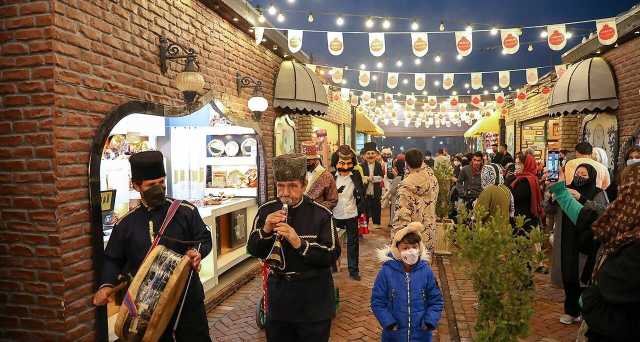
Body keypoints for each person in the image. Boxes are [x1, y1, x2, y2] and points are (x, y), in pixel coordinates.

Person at [93, 151, 212, 341]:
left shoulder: (186, 212)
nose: (159, 188)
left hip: (186, 300)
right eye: (151, 185)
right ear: (136, 185)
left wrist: (197, 253)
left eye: (161, 182)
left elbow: (204, 239)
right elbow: (112, 259)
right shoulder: (125, 224)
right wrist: (106, 285)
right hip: (145, 308)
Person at [247, 153, 337, 342]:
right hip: (280, 298)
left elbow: (331, 255)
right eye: (281, 186)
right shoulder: (266, 211)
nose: (285, 193)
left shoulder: (321, 214)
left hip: (314, 299)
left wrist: (299, 243)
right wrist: (265, 230)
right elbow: (253, 249)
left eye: (292, 186)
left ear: (304, 186)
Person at [548, 164, 640, 341]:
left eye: (625, 191)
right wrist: (560, 191)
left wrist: (585, 300)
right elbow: (588, 219)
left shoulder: (633, 246)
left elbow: (607, 291)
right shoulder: (623, 223)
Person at [546, 164, 609, 325]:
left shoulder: (598, 193)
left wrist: (581, 199)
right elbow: (548, 210)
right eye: (578, 173)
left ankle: (584, 310)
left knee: (583, 277)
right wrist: (552, 200)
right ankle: (570, 310)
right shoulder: (565, 190)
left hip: (586, 241)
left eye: (584, 174)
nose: (580, 176)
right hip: (566, 239)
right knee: (569, 275)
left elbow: (604, 212)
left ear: (592, 177)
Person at [371, 222, 444, 342]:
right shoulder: (386, 272)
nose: (411, 251)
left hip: (421, 335)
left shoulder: (426, 271)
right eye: (405, 248)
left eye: (414, 247)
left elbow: (436, 301)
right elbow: (377, 301)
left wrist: (429, 321)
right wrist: (389, 323)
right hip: (394, 335)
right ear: (397, 250)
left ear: (419, 248)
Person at [392, 149, 439, 261]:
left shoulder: (405, 187)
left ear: (406, 163)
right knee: (424, 269)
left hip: (411, 239)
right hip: (429, 231)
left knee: (408, 273)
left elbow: (401, 216)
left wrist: (396, 241)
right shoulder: (433, 179)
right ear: (422, 161)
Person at [333, 145, 366, 281]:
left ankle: (353, 270)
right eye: (342, 163)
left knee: (353, 244)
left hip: (351, 214)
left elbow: (361, 193)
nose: (345, 167)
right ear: (336, 162)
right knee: (334, 243)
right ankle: (333, 266)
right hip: (335, 215)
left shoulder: (356, 175)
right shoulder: (330, 177)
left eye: (348, 163)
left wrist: (359, 208)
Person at [510, 152, 543, 233]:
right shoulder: (530, 178)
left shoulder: (525, 181)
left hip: (524, 222)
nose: (516, 166)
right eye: (516, 163)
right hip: (528, 220)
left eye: (519, 164)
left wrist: (510, 179)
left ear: (527, 165)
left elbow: (512, 196)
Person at [302, 141, 338, 210]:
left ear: (316, 159)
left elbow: (333, 200)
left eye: (309, 159)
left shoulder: (326, 176)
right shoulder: (301, 173)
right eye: (305, 159)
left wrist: (317, 209)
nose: (307, 162)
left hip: (318, 216)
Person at [360, 142, 384, 229]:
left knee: (376, 207)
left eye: (372, 153)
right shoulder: (361, 166)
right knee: (365, 208)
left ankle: (376, 223)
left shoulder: (378, 165)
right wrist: (366, 178)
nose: (370, 155)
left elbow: (381, 177)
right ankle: (365, 225)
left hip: (376, 191)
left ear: (376, 155)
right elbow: (360, 178)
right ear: (364, 155)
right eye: (368, 153)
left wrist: (372, 178)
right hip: (365, 191)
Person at [381, 157, 406, 227]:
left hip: (395, 199)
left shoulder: (398, 178)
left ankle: (392, 223)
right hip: (404, 199)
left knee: (394, 212)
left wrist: (383, 198)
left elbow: (392, 190)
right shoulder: (405, 176)